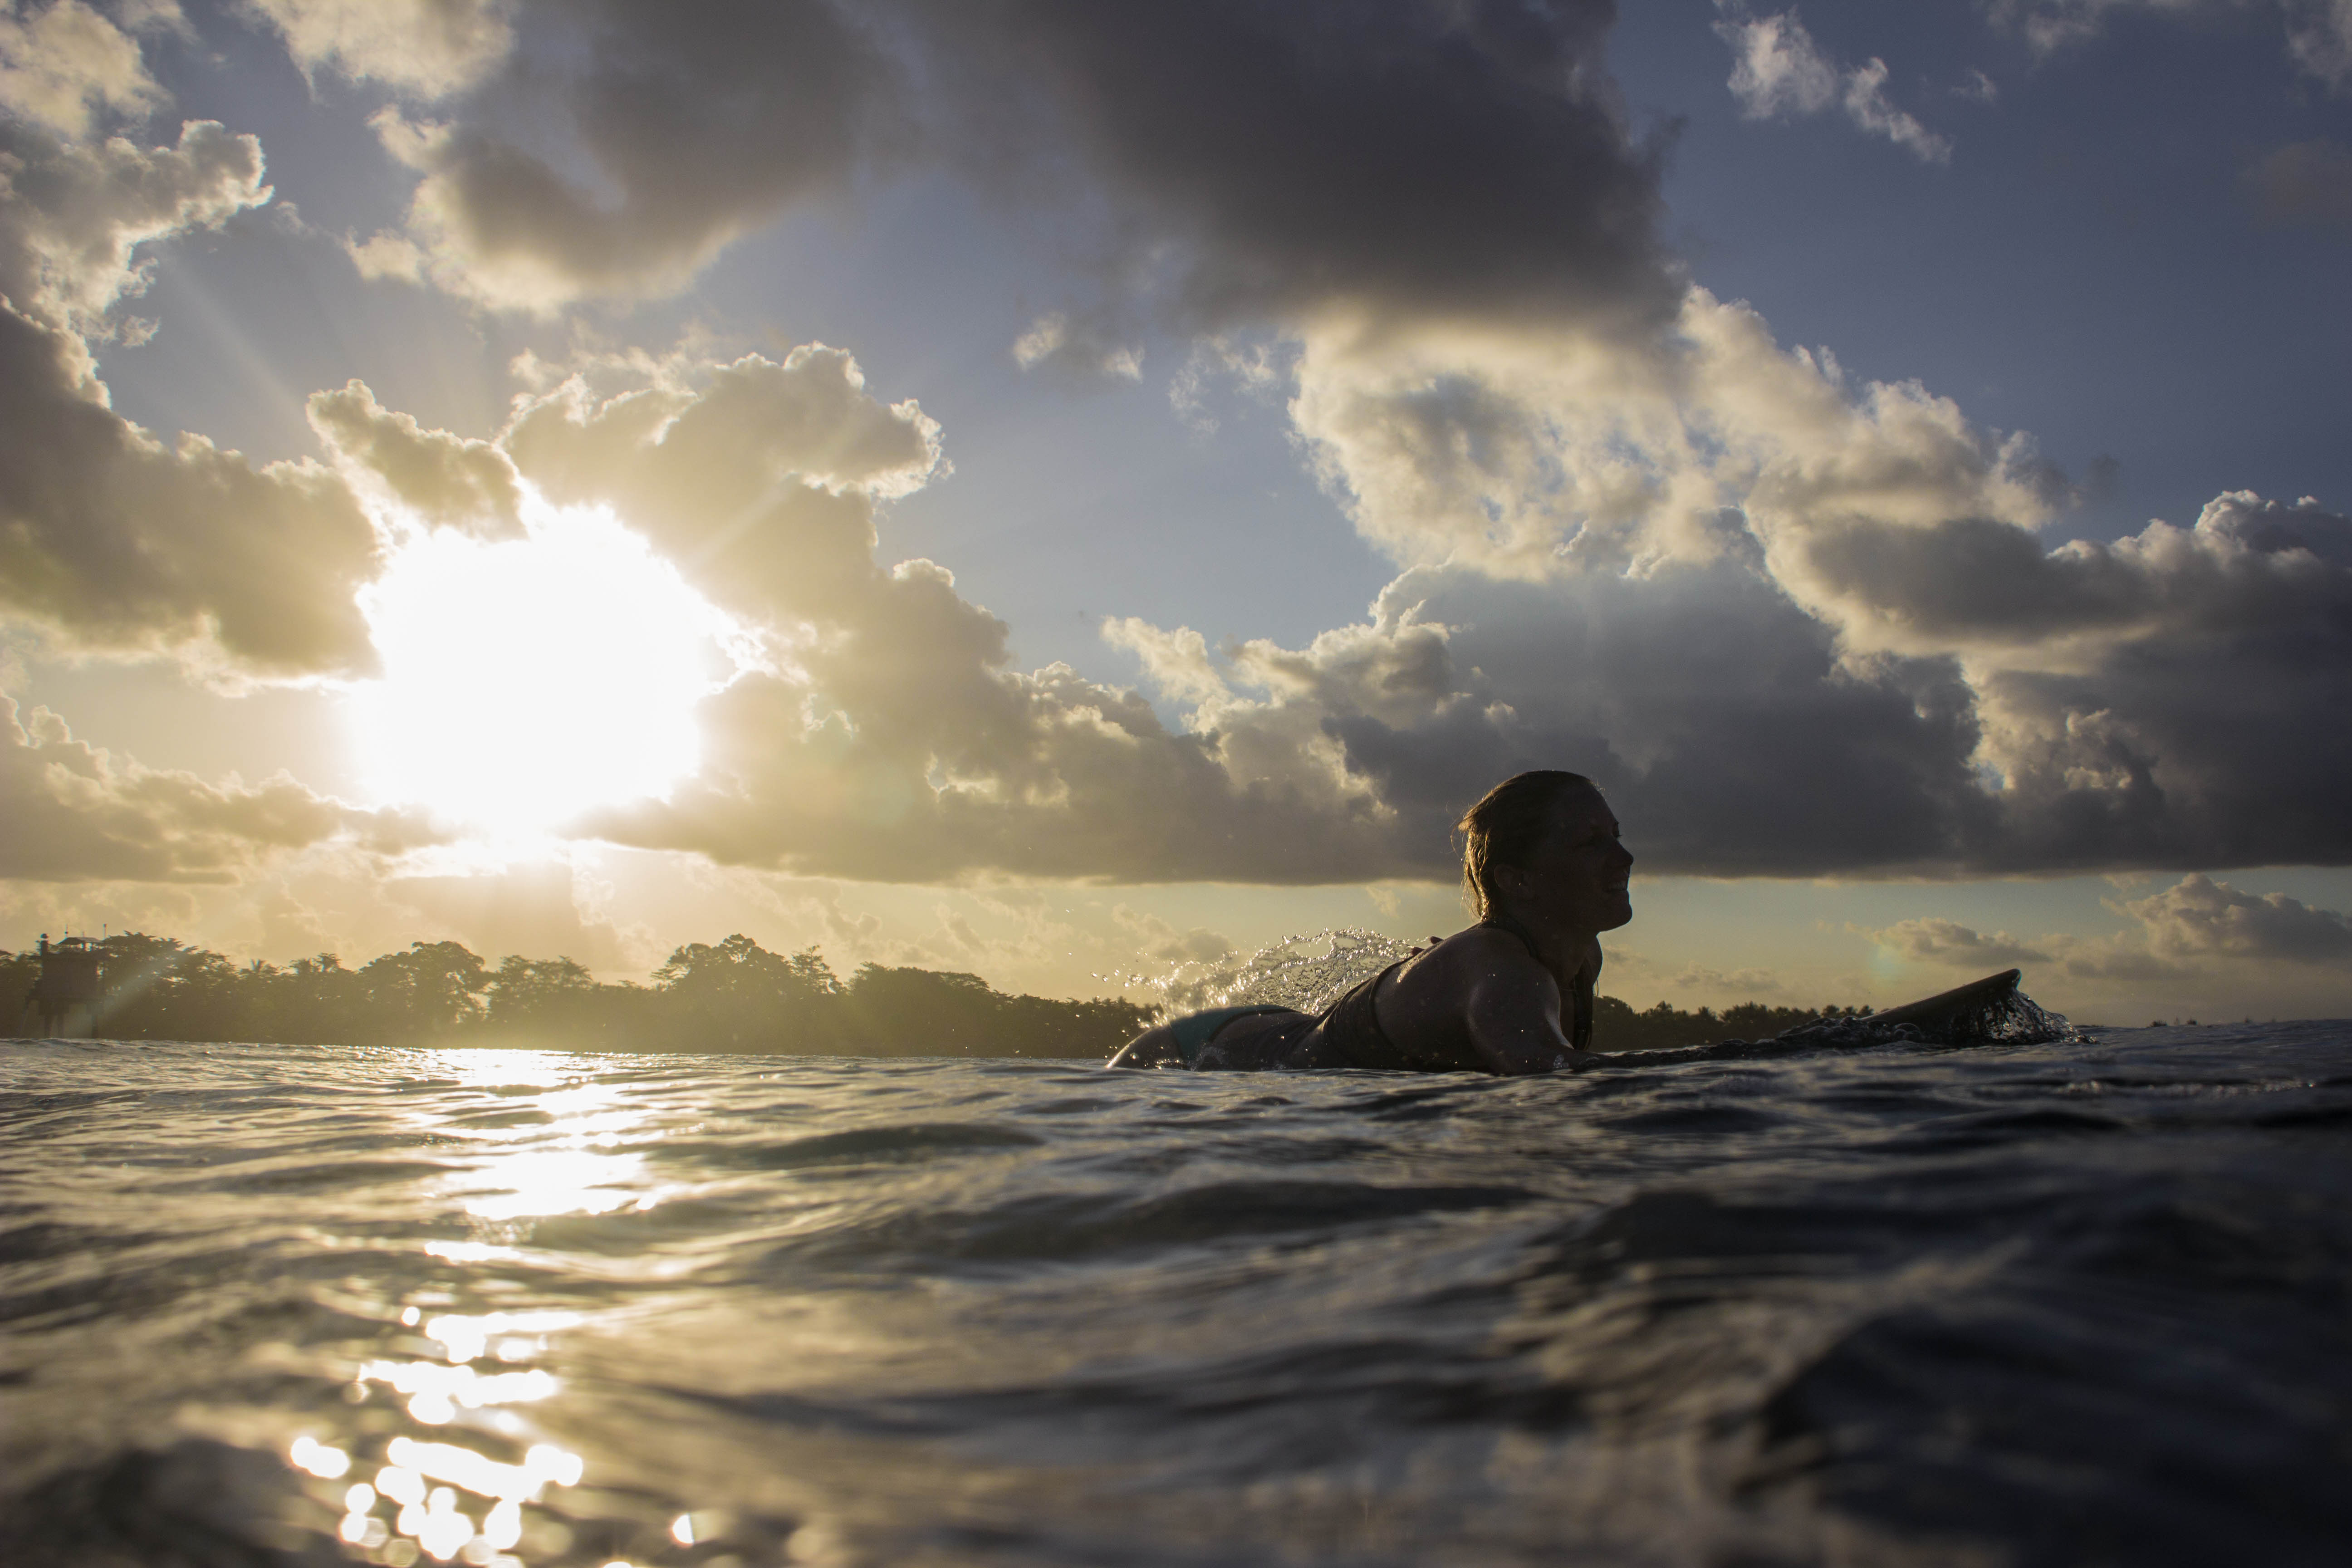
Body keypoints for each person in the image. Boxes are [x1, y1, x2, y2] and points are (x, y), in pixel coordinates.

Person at [1107, 770, 1633, 1074]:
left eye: (1615, 836)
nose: (1625, 858)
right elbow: (1546, 1071)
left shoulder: (1580, 955)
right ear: (1518, 880)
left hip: (1274, 1036)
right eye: (1591, 844)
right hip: (1197, 1057)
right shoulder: (1505, 973)